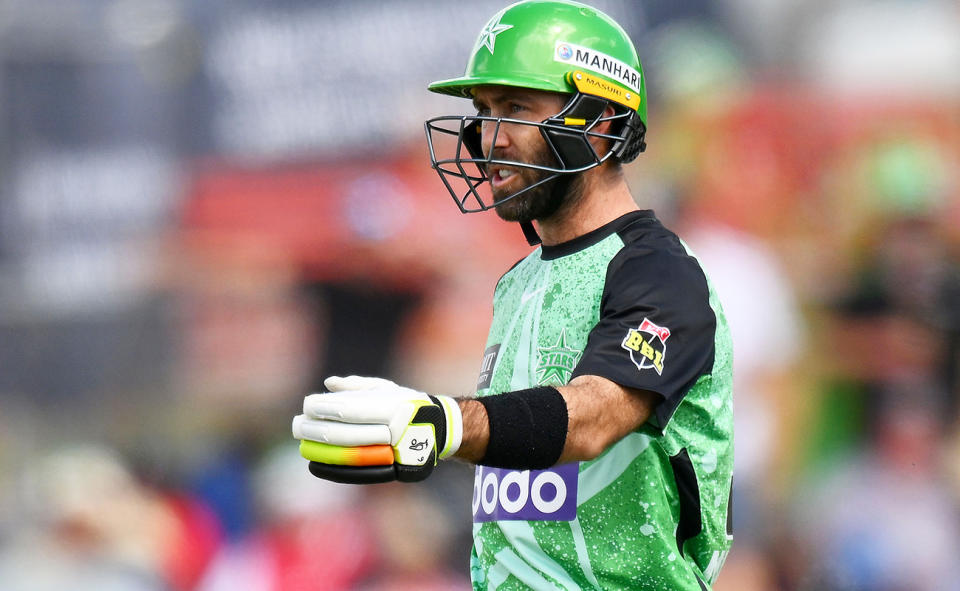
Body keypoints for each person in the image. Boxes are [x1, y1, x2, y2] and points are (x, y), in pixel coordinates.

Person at [291, 1, 734, 589]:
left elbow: (592, 419)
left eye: (516, 108)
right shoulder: (519, 280)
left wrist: (443, 423)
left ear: (600, 119)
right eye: (483, 111)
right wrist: (419, 441)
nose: (486, 138)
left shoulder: (658, 272)